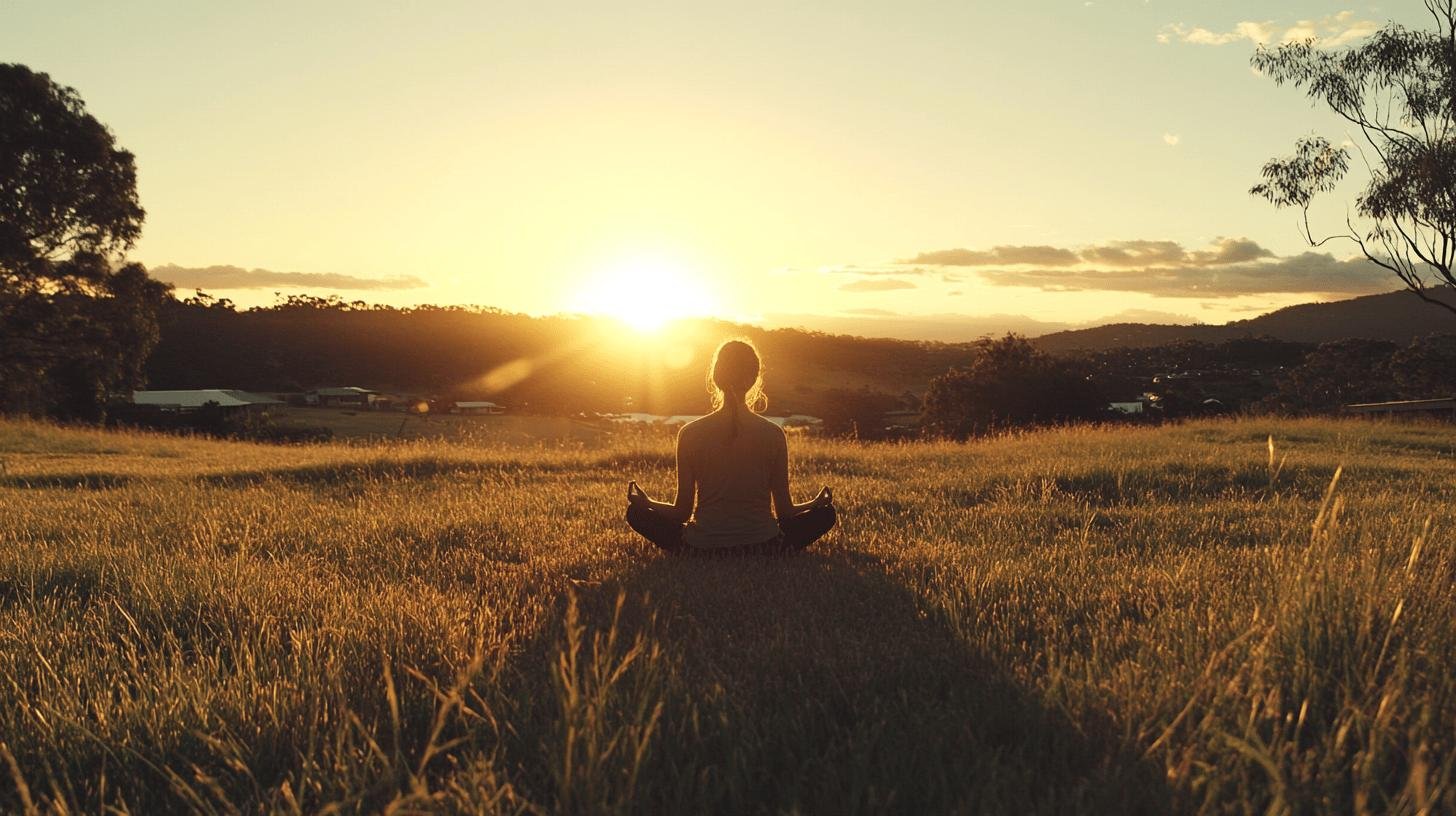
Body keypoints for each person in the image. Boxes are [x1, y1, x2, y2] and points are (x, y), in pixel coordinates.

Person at [626, 339, 837, 554]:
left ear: (716, 377)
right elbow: (785, 512)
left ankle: (696, 546)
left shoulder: (689, 434)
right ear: (754, 379)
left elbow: (681, 513)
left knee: (636, 513)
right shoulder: (774, 434)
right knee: (827, 515)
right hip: (764, 546)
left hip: (701, 547)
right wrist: (814, 504)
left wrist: (648, 503)